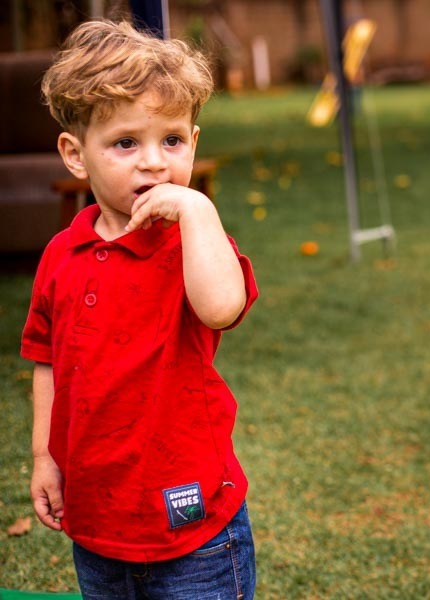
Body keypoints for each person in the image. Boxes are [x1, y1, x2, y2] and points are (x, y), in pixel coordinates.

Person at [21, 20, 259, 599]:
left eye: (172, 141)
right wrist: (43, 458)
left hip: (194, 529)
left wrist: (199, 211)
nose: (154, 162)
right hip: (98, 526)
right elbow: (47, 359)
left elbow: (222, 307)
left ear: (194, 143)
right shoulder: (61, 253)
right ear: (76, 155)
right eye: (126, 143)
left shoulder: (191, 244)